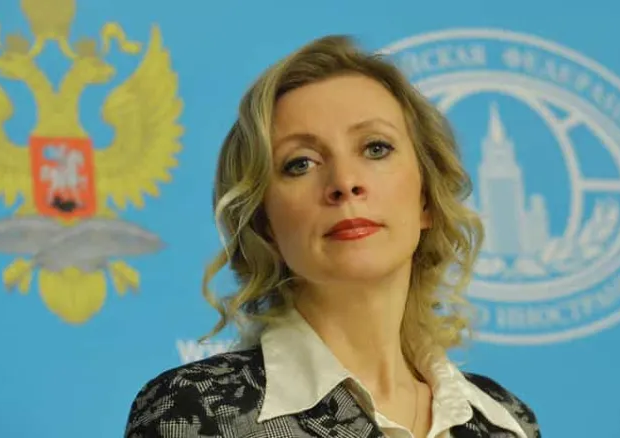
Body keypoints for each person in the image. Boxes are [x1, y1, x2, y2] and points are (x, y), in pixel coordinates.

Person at [124, 35, 541, 438]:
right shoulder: (198, 410)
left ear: (426, 199)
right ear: (265, 224)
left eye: (375, 148)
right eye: (300, 163)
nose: (344, 182)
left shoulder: (505, 421)